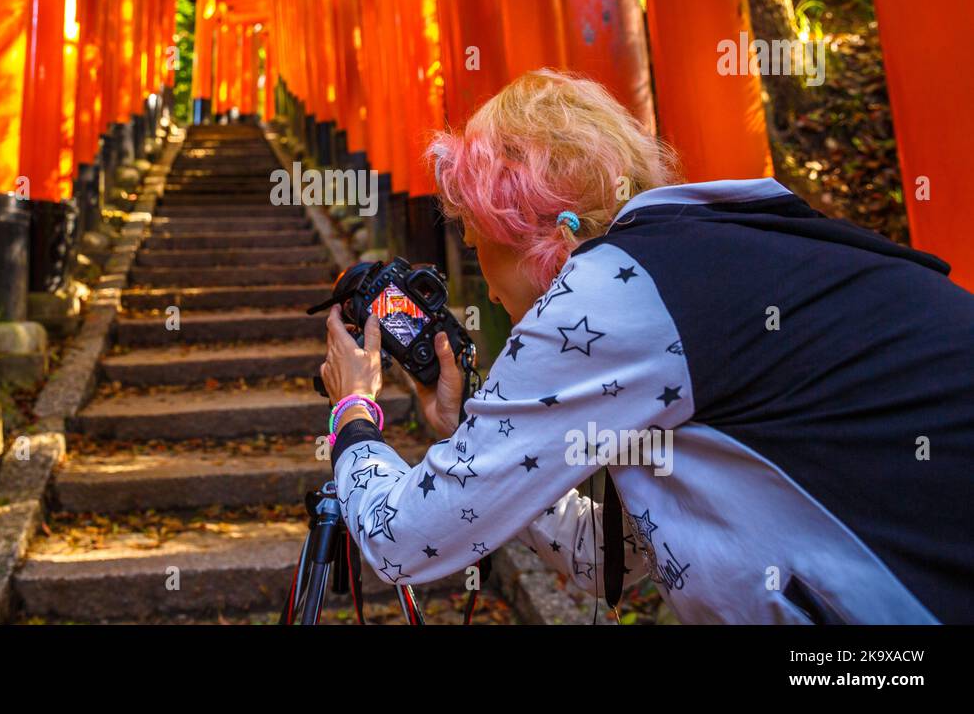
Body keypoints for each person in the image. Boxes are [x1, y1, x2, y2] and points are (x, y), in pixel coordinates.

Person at [319, 69, 974, 624]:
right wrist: (466, 428)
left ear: (533, 226)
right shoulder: (716, 256)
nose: (486, 290)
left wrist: (353, 416)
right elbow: (609, 560)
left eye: (476, 242)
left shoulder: (612, 290)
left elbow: (400, 540)